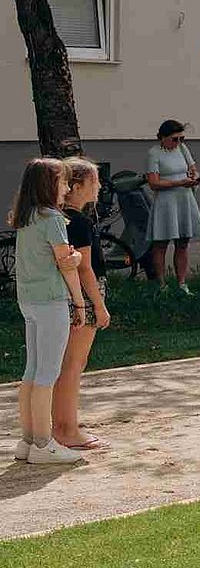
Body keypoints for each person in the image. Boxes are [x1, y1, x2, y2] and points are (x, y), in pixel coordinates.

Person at [10, 157, 88, 464]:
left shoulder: (25, 217)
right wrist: (80, 302)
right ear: (48, 185)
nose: (67, 188)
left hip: (28, 300)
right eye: (63, 182)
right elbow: (66, 264)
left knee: (33, 369)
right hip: (51, 300)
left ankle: (28, 440)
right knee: (47, 372)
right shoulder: (53, 219)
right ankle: (44, 444)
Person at [54, 157, 109, 451]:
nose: (98, 187)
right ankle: (67, 428)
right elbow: (85, 268)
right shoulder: (79, 222)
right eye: (93, 182)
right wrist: (98, 306)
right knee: (73, 364)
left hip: (65, 296)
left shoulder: (57, 217)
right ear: (76, 186)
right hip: (83, 296)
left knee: (68, 363)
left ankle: (62, 421)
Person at [144, 119, 200, 294]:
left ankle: (182, 282)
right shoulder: (154, 153)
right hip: (166, 201)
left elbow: (193, 167)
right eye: (174, 139)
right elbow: (153, 183)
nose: (178, 142)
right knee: (161, 243)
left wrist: (194, 176)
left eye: (181, 138)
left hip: (184, 198)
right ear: (162, 138)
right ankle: (161, 283)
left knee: (183, 242)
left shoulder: (182, 149)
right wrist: (178, 182)